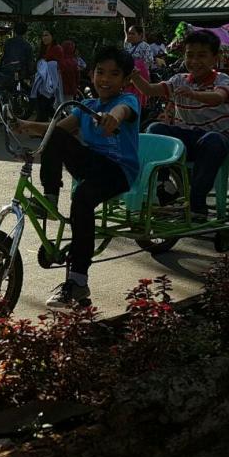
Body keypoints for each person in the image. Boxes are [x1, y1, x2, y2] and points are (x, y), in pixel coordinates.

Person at [16, 46, 140, 309]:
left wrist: (113, 118)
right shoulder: (87, 107)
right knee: (55, 135)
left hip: (118, 172)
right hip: (92, 165)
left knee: (82, 200)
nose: (105, 79)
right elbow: (57, 131)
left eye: (114, 74)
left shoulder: (128, 100)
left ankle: (78, 281)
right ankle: (50, 197)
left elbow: (123, 112)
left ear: (126, 79)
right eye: (100, 72)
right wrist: (25, 125)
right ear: (92, 73)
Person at [130, 30, 229, 220]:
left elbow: (218, 97)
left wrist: (194, 94)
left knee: (212, 140)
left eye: (202, 55)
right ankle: (163, 188)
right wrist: (135, 77)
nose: (194, 61)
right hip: (185, 139)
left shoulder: (223, 80)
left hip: (214, 141)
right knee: (155, 129)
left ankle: (197, 205)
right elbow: (149, 90)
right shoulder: (179, 80)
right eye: (190, 55)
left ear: (215, 58)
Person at [32, 29, 64, 121]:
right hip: (41, 84)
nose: (44, 38)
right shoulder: (43, 49)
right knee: (44, 108)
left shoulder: (57, 49)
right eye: (43, 36)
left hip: (51, 84)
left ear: (52, 36)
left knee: (45, 107)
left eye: (46, 35)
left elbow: (59, 66)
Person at [124, 25, 153, 106]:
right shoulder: (127, 45)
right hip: (128, 77)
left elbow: (149, 61)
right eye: (129, 33)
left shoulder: (145, 46)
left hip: (140, 77)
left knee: (139, 98)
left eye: (133, 33)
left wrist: (137, 66)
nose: (130, 35)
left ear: (140, 35)